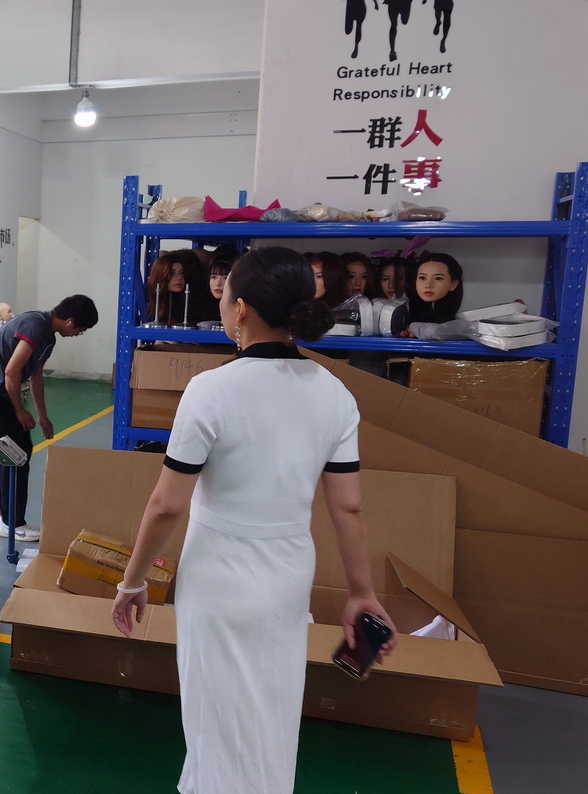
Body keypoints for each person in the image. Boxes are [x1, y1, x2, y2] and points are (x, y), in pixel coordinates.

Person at [110, 247, 396, 794]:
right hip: (287, 574)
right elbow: (348, 508)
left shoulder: (211, 389)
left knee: (214, 716)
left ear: (240, 309)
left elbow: (166, 504)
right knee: (272, 710)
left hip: (219, 575)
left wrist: (132, 581)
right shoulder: (335, 394)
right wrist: (362, 593)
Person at [0, 294, 97, 541]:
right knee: (16, 454)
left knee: (14, 449)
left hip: (1, 393)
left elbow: (35, 375)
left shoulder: (47, 334)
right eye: (81, 329)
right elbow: (11, 372)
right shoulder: (36, 326)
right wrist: (19, 410)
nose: (79, 334)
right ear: (71, 321)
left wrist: (43, 416)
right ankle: (11, 523)